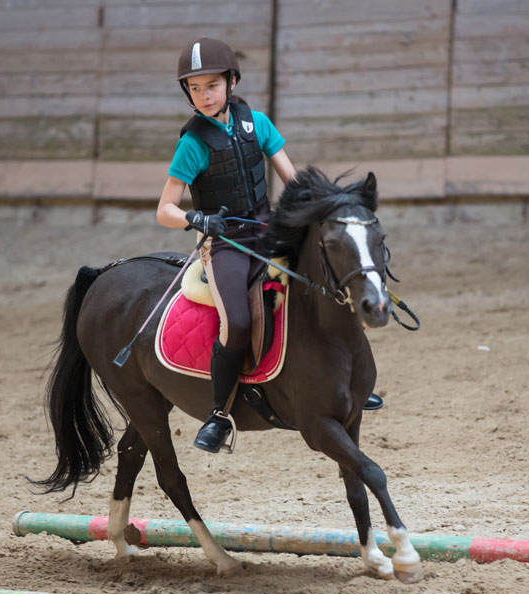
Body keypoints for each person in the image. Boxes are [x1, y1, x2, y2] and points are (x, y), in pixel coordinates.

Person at [156, 37, 382, 454]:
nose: (204, 96)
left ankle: (353, 383)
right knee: (238, 322)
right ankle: (219, 415)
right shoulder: (192, 143)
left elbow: (293, 183)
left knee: (331, 278)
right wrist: (197, 218)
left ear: (231, 82)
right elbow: (164, 210)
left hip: (267, 230)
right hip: (225, 244)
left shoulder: (257, 123)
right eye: (195, 88)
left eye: (212, 86)